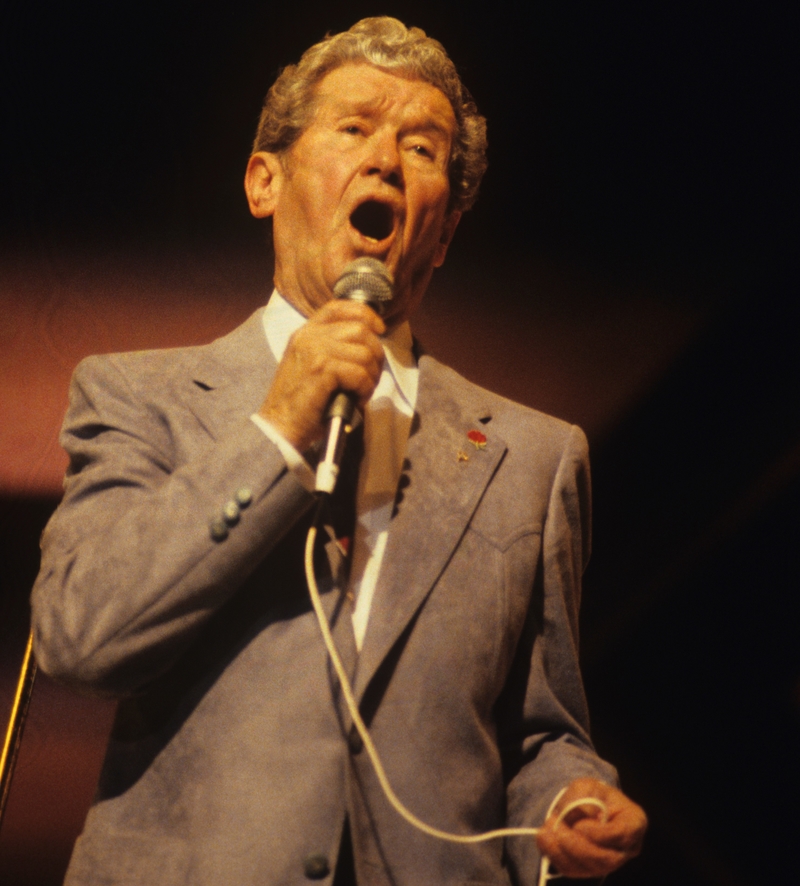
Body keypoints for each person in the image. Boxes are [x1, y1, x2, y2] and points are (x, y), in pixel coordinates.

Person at [31, 16, 646, 886]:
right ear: (264, 182)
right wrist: (275, 431)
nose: (387, 161)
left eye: (423, 148)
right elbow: (80, 638)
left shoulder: (535, 459)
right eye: (354, 128)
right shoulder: (138, 398)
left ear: (447, 229)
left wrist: (567, 804)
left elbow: (539, 736)